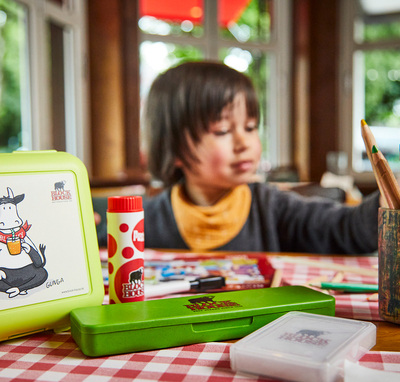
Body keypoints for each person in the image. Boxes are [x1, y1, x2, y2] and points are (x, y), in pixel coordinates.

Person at [133, 61, 381, 253]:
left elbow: (343, 229)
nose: (244, 143)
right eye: (222, 131)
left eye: (250, 127)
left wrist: (384, 205)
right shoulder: (142, 221)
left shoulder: (273, 208)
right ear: (174, 149)